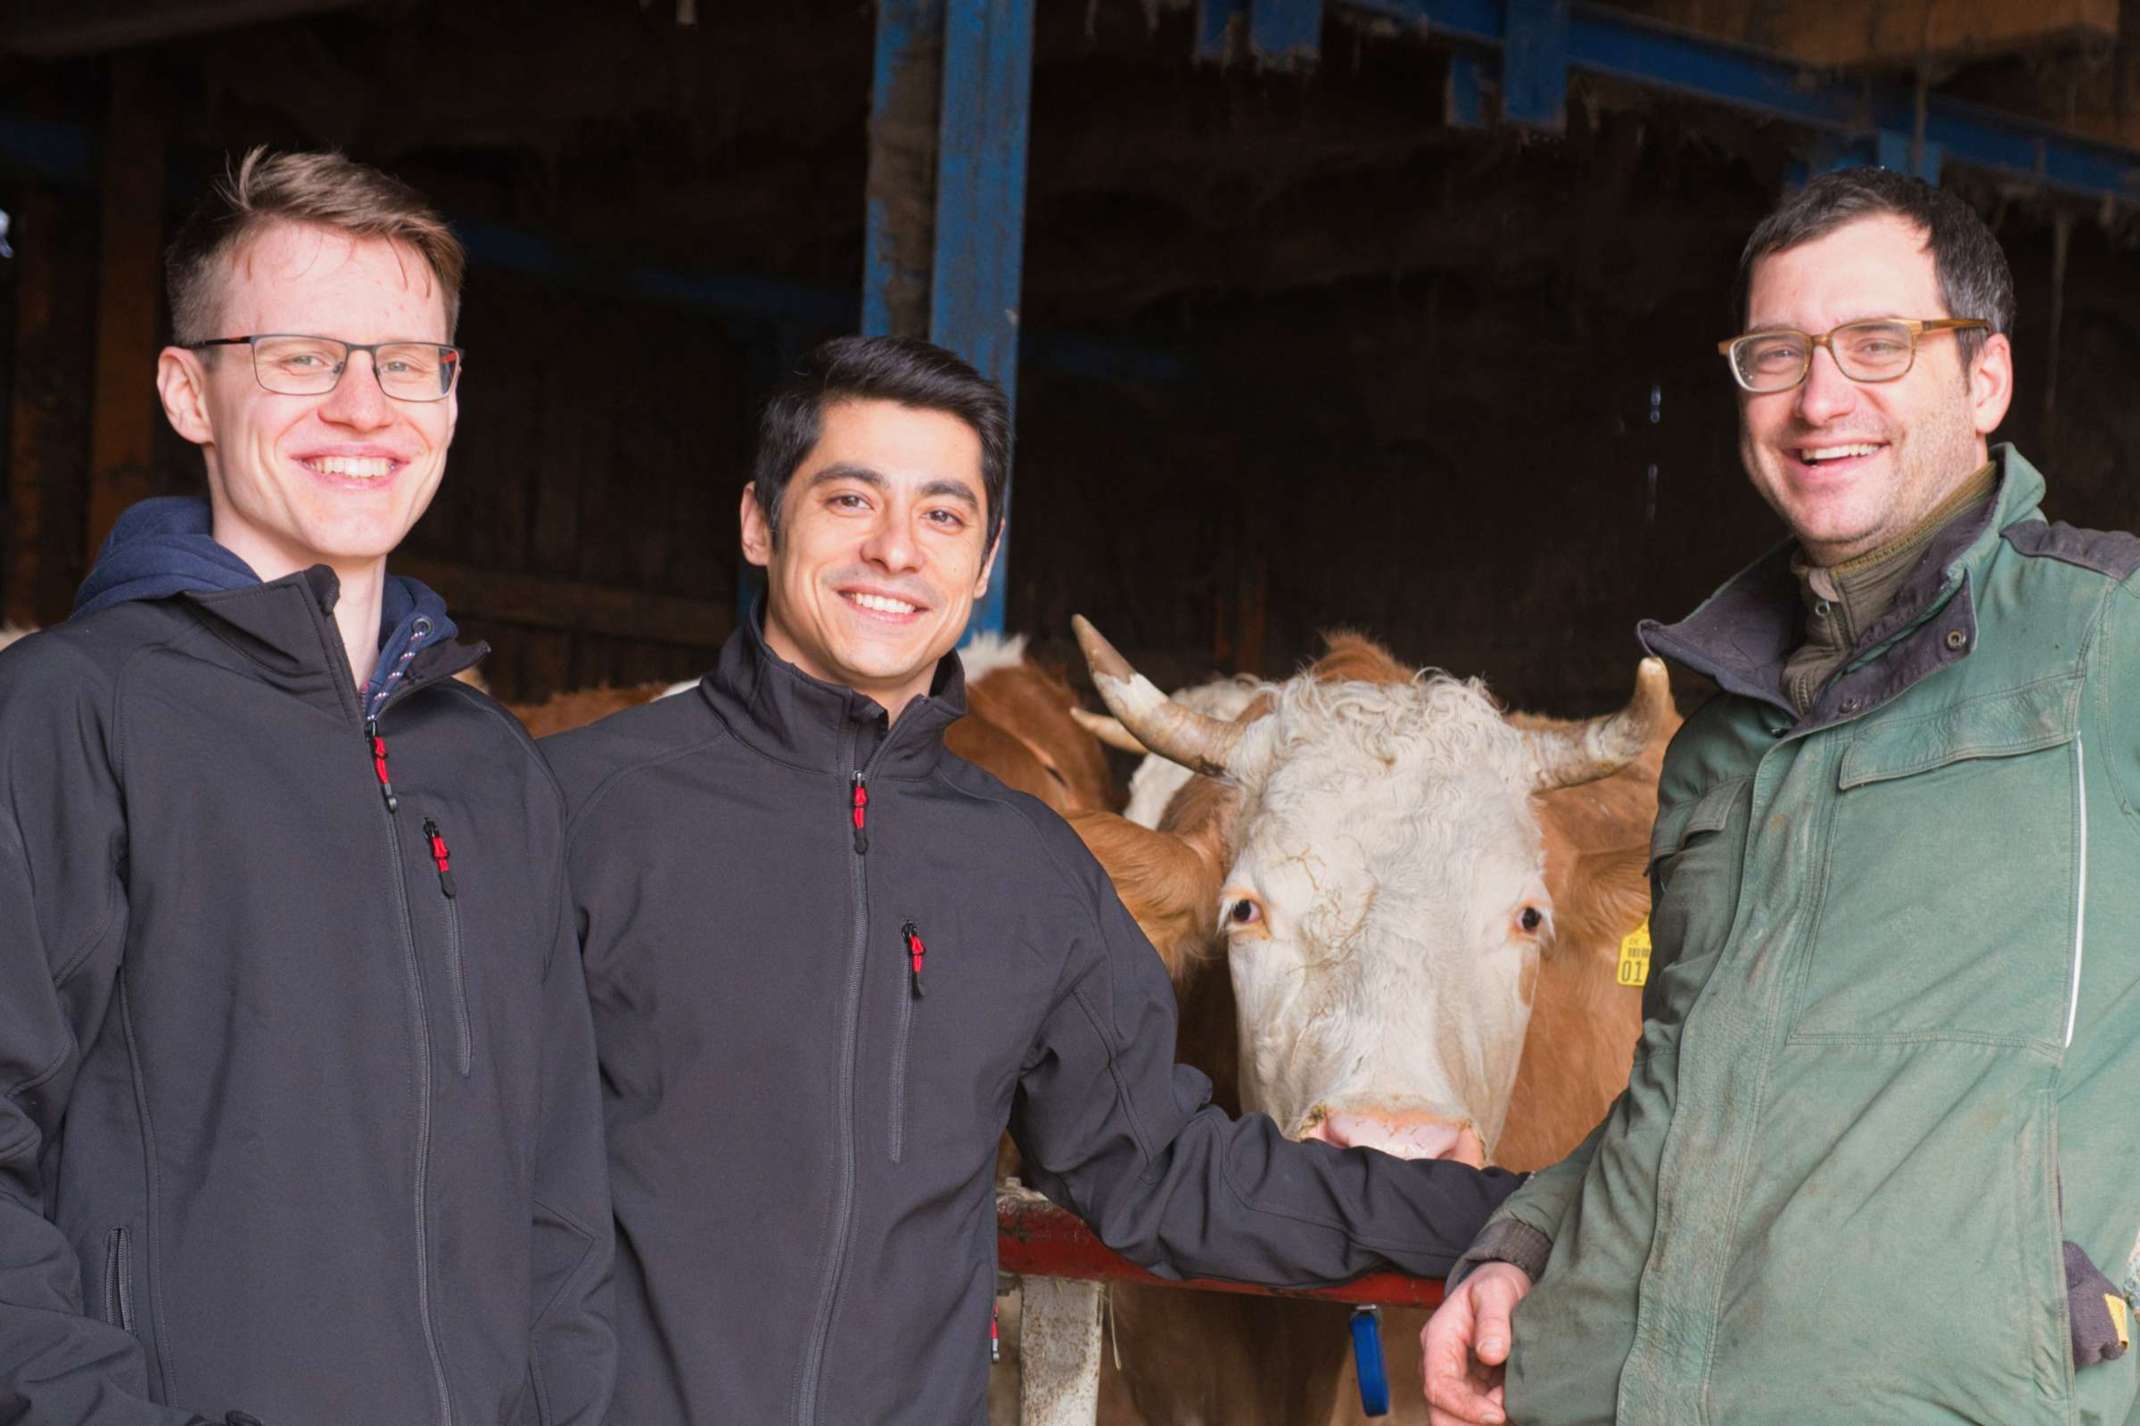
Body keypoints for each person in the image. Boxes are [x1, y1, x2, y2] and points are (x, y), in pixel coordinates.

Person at [541, 334, 1519, 1425]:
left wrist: (1517, 1214)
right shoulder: (573, 810)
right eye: (850, 500)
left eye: (943, 514)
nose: (896, 551)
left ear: (987, 555)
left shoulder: (1027, 869)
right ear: (760, 523)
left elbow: (1161, 1169)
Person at [1423, 166, 2140, 1426]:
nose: (1818, 399)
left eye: (1876, 343)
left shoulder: (2108, 647)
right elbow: (1697, 1084)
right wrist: (1524, 1237)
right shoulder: (1717, 740)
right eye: (1774, 353)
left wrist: (2087, 1285)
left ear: (1984, 380)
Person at [0, 149, 613, 1425]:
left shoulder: (490, 771)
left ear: (449, 398)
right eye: (299, 356)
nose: (362, 405)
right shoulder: (75, 710)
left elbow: (557, 1182)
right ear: (189, 390)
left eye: (405, 363)